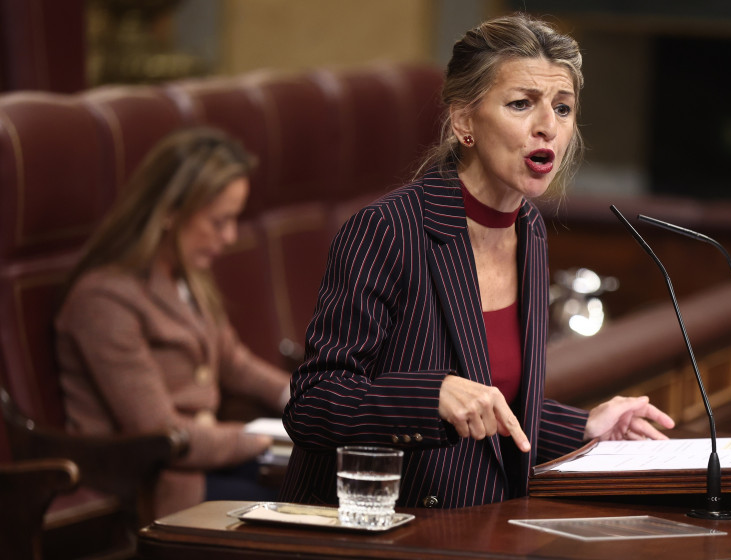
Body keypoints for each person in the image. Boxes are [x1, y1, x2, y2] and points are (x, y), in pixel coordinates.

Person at [280, 13, 675, 509]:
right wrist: (431, 397)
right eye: (520, 104)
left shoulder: (528, 229)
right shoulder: (389, 230)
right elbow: (313, 404)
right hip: (382, 527)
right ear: (464, 120)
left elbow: (493, 405)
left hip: (483, 524)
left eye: (562, 107)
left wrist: (584, 425)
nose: (547, 127)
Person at [55, 126, 291, 517]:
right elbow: (160, 430)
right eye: (219, 221)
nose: (231, 236)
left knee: (325, 481)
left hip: (204, 459)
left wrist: (300, 398)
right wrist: (262, 438)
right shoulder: (104, 298)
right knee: (301, 504)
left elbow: (233, 361)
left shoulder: (186, 276)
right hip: (157, 480)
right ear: (168, 213)